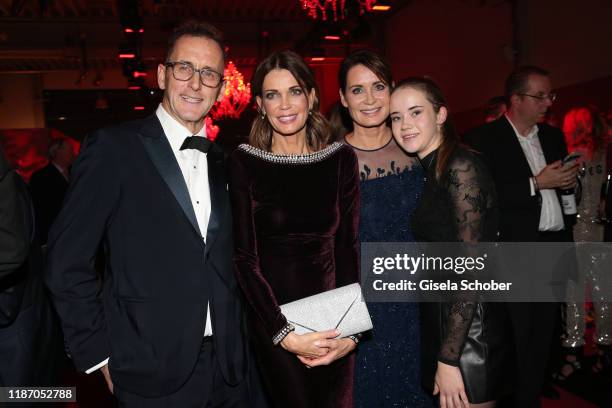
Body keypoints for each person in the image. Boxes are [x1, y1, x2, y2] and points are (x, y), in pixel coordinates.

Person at [45, 20, 254, 407]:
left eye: (208, 74)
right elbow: (65, 260)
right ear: (162, 75)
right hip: (148, 371)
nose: (195, 83)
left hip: (230, 372)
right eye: (184, 68)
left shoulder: (228, 161)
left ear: (221, 88)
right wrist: (97, 354)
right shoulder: (113, 149)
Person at [229, 50, 360, 408]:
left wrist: (352, 331)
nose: (285, 104)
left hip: (336, 320)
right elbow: (244, 260)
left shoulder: (341, 159)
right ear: (259, 104)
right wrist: (283, 333)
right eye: (272, 95)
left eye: (295, 91)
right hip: (275, 322)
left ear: (312, 97)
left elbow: (347, 247)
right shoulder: (244, 162)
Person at [390, 77, 510, 408]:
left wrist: (450, 358)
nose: (405, 125)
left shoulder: (461, 165)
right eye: (396, 117)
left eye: (415, 112)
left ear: (441, 114)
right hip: (448, 327)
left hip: (469, 333)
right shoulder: (433, 169)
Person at [464, 66, 579, 407]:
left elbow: (562, 194)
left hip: (553, 249)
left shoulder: (554, 137)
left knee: (542, 342)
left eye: (550, 95)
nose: (548, 103)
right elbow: (479, 197)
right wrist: (535, 184)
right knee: (514, 340)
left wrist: (570, 185)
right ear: (515, 99)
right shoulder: (484, 139)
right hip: (513, 255)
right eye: (540, 96)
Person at [337, 49, 429, 407]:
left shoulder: (419, 149)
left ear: (391, 89)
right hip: (366, 312)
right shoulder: (331, 161)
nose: (370, 99)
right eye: (357, 90)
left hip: (421, 306)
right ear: (344, 99)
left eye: (378, 86)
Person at [0, 147, 64, 386]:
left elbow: (10, 251)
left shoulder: (7, 181)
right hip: (16, 316)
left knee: (24, 395)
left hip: (13, 320)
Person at [556, 107, 611, 379]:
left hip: (576, 230)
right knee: (603, 292)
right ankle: (604, 350)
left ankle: (573, 353)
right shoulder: (603, 154)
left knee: (574, 294)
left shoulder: (570, 157)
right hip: (600, 229)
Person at [29, 138, 75, 244]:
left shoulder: (76, 173)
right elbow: (42, 210)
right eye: (70, 150)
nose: (74, 153)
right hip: (54, 234)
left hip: (74, 232)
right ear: (57, 152)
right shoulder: (41, 177)